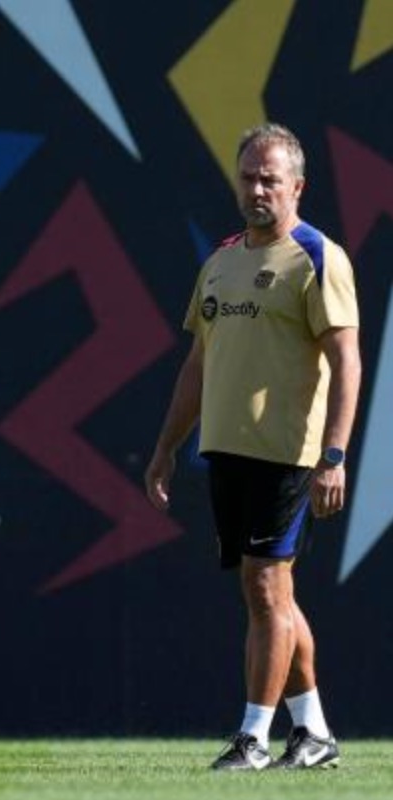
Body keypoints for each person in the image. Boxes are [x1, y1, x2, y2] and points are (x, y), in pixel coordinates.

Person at [145, 122, 361, 771]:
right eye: (248, 177)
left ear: (298, 185)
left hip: (289, 454)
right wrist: (164, 450)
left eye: (270, 178)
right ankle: (314, 733)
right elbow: (197, 365)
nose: (258, 188)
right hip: (227, 452)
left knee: (267, 587)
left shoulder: (318, 257)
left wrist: (334, 455)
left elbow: (346, 361)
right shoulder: (222, 260)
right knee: (269, 592)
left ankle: (253, 739)